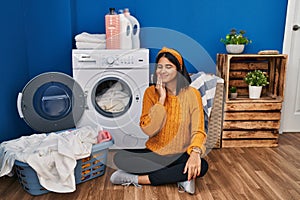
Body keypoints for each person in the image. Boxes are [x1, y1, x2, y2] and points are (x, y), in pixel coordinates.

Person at [110, 47, 208, 194]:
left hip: (181, 154)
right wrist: (161, 100)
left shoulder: (192, 94)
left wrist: (194, 153)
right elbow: (149, 129)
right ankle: (182, 177)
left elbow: (198, 130)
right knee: (120, 158)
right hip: (155, 154)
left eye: (169, 66)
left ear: (179, 70)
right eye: (160, 67)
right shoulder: (150, 93)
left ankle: (138, 179)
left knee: (203, 165)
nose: (162, 71)